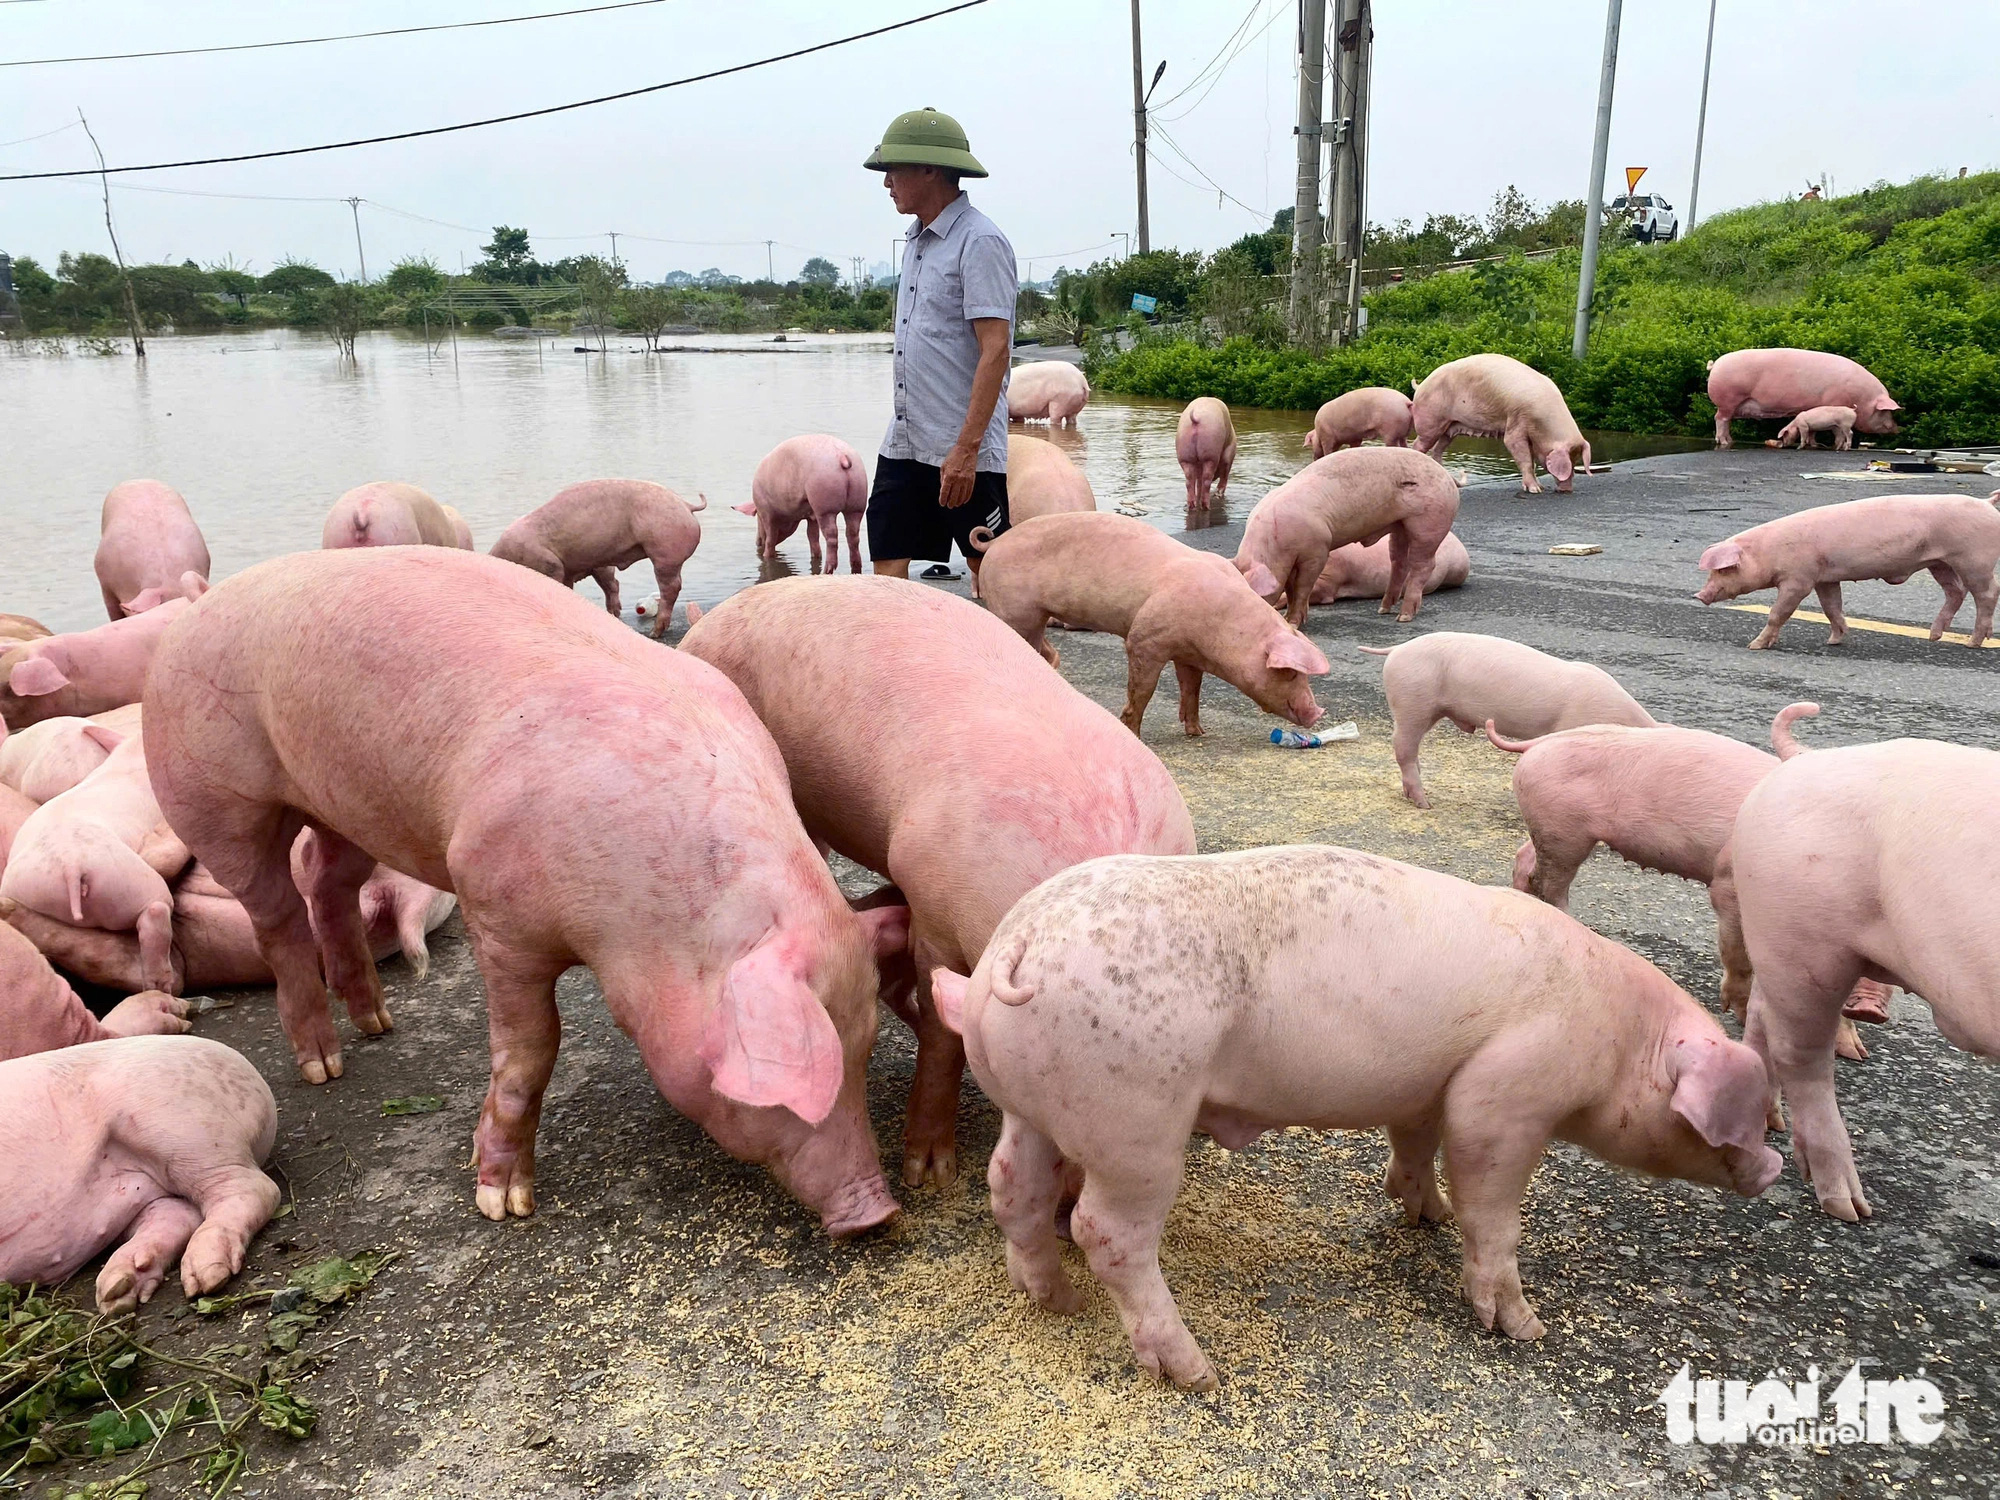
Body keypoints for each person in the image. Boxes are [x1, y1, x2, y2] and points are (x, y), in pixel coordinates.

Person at [861, 108, 1017, 583]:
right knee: (887, 560)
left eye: (895, 169)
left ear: (930, 169)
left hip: (961, 446)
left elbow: (996, 350)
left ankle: (1009, 657)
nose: (887, 182)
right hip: (906, 441)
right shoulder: (915, 241)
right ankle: (896, 657)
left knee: (990, 571)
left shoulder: (980, 241)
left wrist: (966, 451)